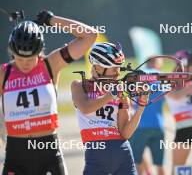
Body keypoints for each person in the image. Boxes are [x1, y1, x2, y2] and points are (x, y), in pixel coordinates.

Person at [1, 10, 98, 175]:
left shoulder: (51, 65)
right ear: (11, 52)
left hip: (49, 152)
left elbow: (90, 36)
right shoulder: (5, 73)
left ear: (40, 52)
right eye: (20, 58)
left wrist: (52, 20)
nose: (25, 64)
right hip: (16, 155)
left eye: (31, 59)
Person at [71, 42, 149, 175]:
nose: (117, 73)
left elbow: (125, 133)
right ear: (97, 67)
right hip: (96, 154)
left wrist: (141, 108)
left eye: (119, 68)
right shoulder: (80, 85)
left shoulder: (121, 92)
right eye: (113, 68)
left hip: (123, 154)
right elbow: (85, 108)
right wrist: (112, 94)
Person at [130, 58, 166, 175]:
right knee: (160, 165)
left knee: (137, 162)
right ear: (155, 64)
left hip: (140, 126)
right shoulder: (161, 80)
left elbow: (131, 102)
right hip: (158, 126)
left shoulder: (138, 78)